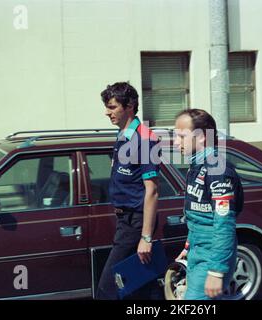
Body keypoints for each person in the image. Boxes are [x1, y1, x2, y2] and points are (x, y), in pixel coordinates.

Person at [96, 82, 160, 300]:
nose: (107, 112)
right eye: (107, 107)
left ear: (130, 106)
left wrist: (146, 237)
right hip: (126, 220)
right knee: (139, 288)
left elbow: (151, 191)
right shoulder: (123, 135)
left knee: (107, 289)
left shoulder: (144, 139)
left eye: (112, 107)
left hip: (136, 223)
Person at [173, 109, 244, 300]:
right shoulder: (196, 166)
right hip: (197, 250)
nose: (175, 142)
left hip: (212, 255)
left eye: (181, 136)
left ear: (202, 137)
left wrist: (216, 271)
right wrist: (188, 247)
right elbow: (197, 216)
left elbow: (224, 224)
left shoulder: (217, 170)